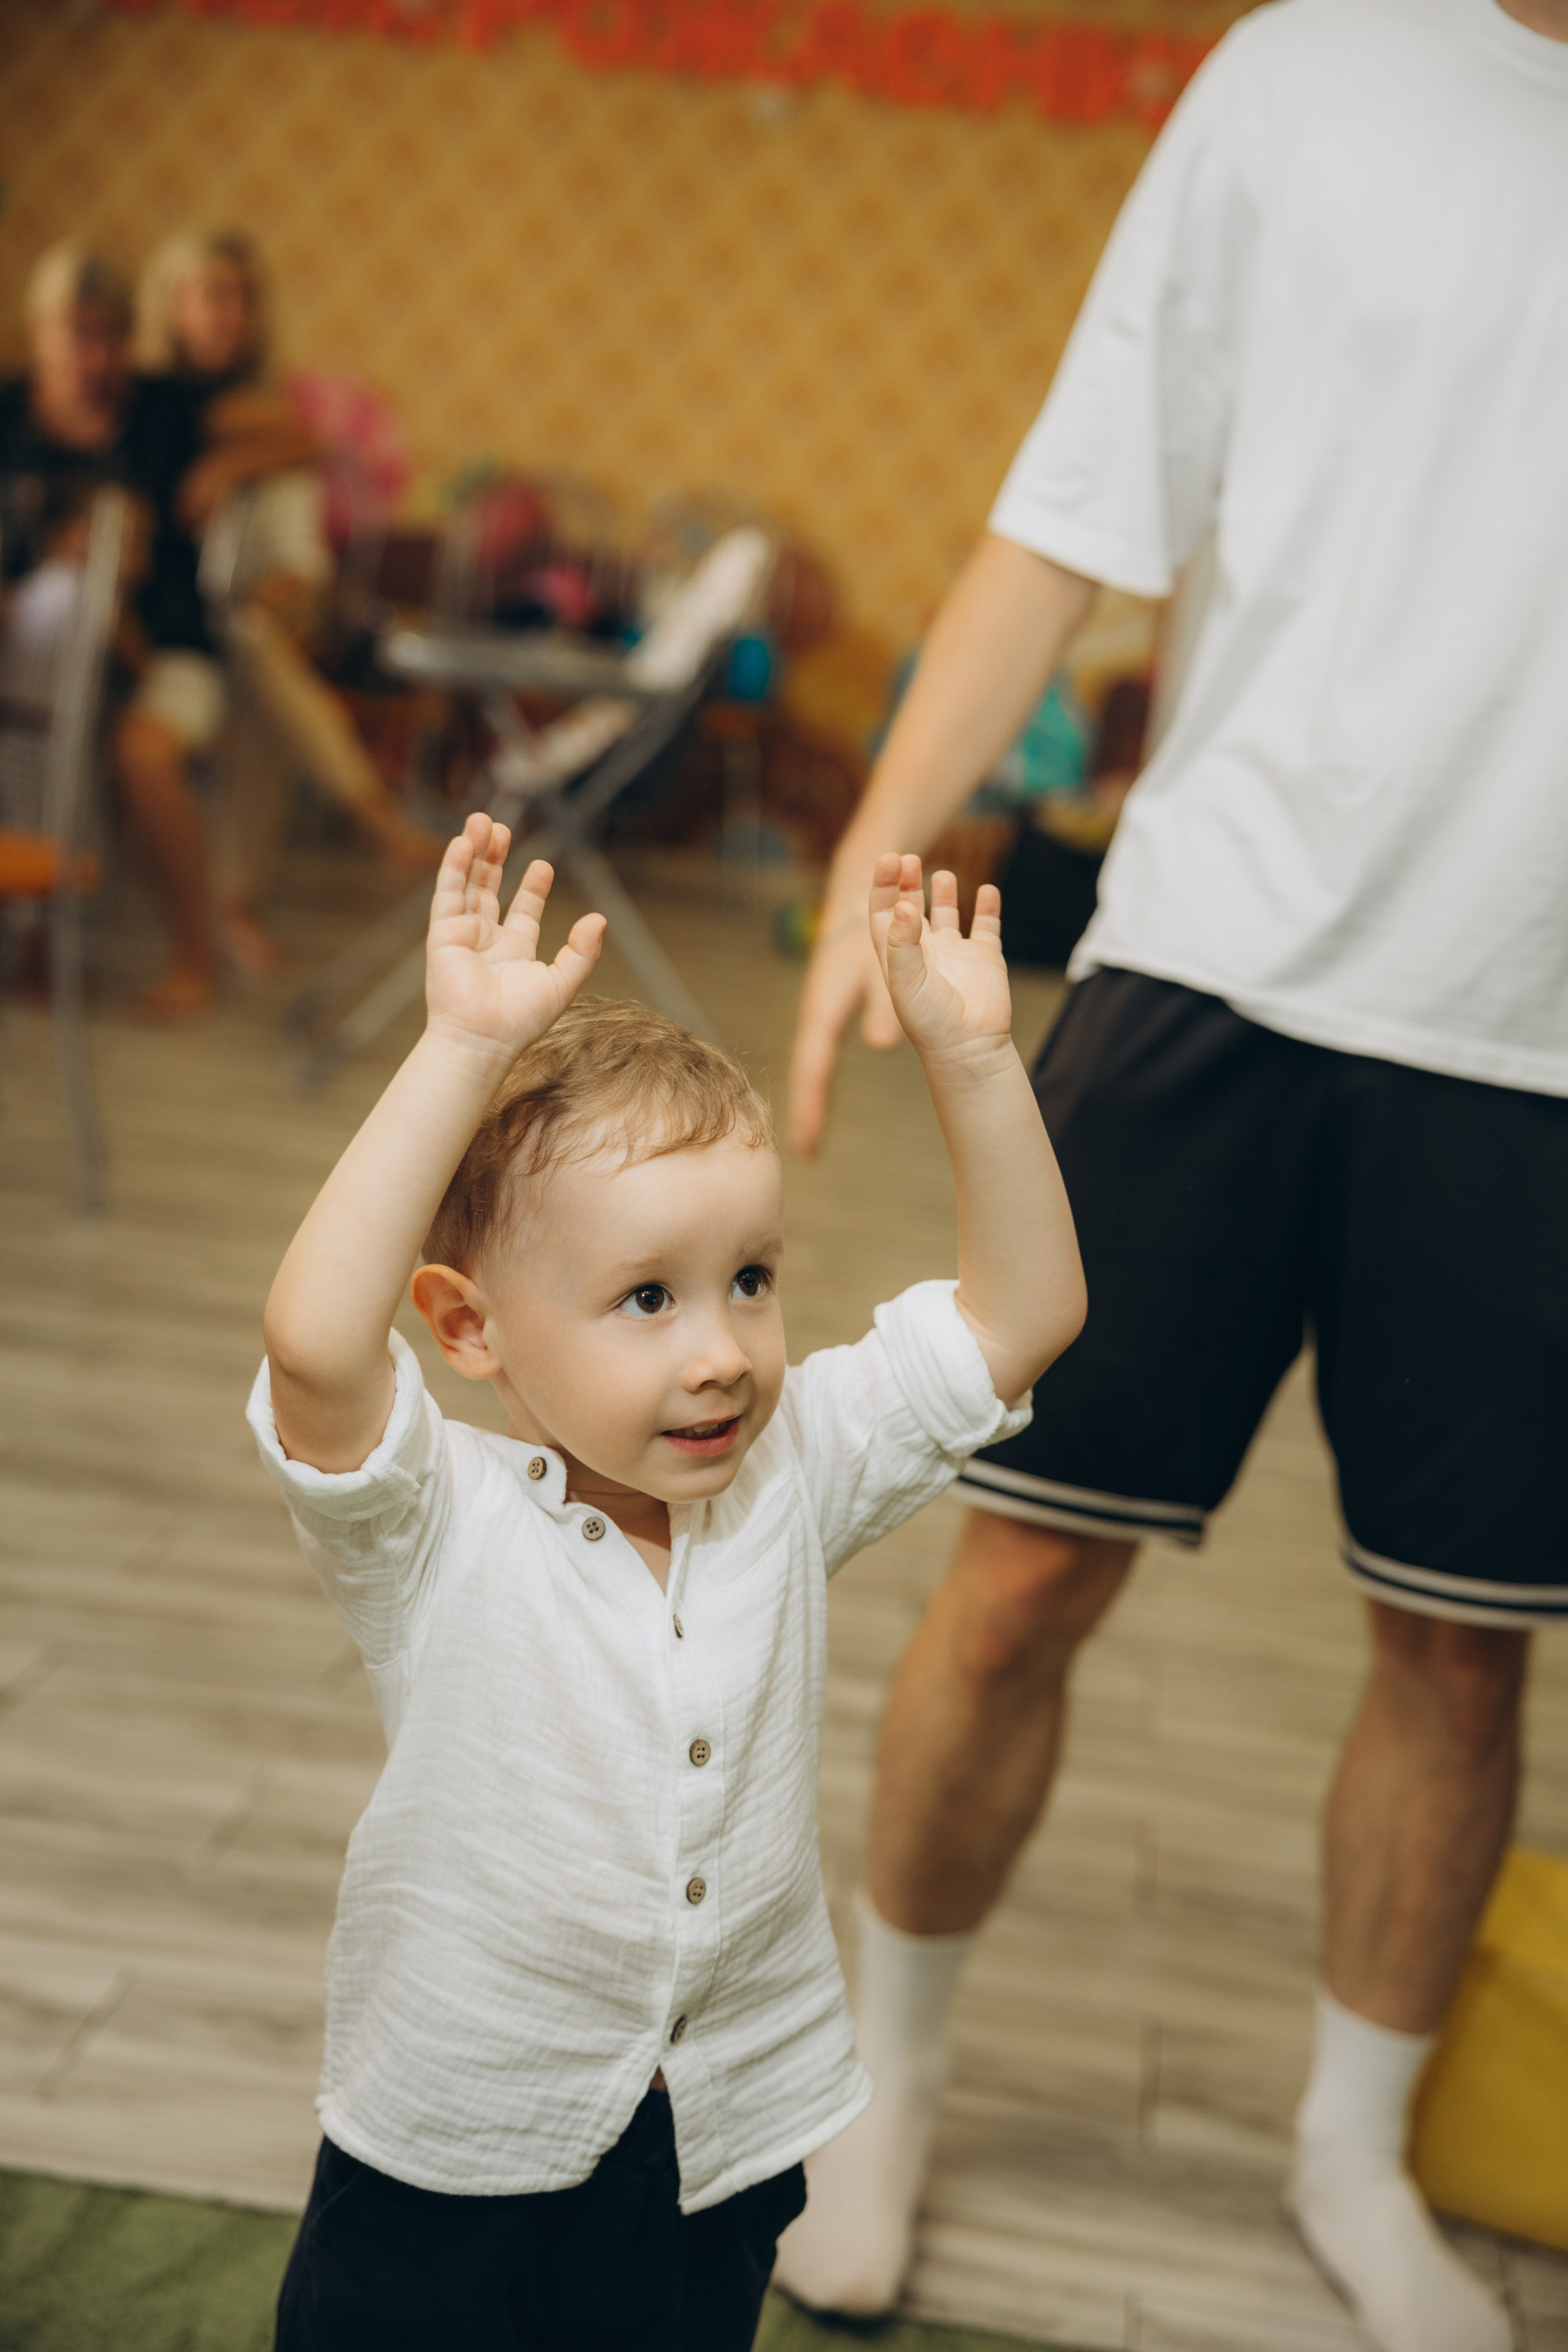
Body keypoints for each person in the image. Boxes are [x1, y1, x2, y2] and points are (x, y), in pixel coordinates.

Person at [774, 4, 1568, 2350]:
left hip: (1529, 1044)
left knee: (1456, 1647)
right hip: (1211, 957)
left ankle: (1346, 2159)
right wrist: (865, 858)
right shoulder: (1302, 67)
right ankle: (877, 2095)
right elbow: (1072, 511)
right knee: (1013, 1580)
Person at [247, 814, 1084, 2351]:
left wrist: (972, 1062)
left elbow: (1022, 1311)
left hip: (721, 2135)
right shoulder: (432, 1523)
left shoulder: (787, 1473)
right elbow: (313, 1343)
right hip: (450, 2140)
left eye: (749, 1278)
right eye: (646, 1296)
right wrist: (453, 1049)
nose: (719, 1349)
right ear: (469, 1325)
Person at [137, 228, 439, 976]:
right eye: (212, 295)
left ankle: (234, 911)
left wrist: (236, 470)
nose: (229, 314)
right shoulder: (146, 406)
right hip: (150, 636)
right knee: (252, 659)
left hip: (230, 631)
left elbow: (299, 555)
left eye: (241, 298)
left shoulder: (265, 421)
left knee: (252, 655)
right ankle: (371, 817)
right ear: (171, 303)